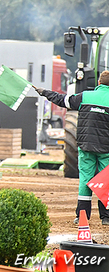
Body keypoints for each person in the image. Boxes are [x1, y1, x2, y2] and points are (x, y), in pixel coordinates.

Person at [34, 70, 109, 225]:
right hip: (106, 149)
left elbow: (62, 100)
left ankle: (81, 216)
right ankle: (106, 218)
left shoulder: (85, 96)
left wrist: (44, 92)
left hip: (85, 146)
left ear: (99, 83)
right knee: (106, 182)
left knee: (85, 180)